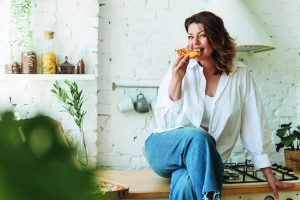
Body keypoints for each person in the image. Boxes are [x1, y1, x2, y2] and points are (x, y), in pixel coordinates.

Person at [143, 11, 295, 200]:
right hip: (164, 148)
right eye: (190, 36)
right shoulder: (180, 71)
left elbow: (253, 123)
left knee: (186, 185)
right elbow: (167, 124)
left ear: (218, 38)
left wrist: (268, 173)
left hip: (205, 162)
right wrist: (177, 80)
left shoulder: (240, 74)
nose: (194, 42)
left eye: (202, 35)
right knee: (199, 136)